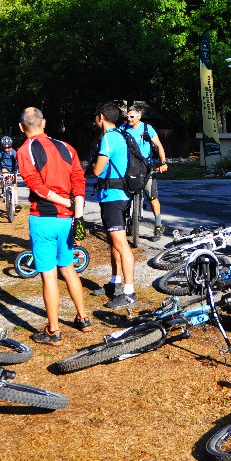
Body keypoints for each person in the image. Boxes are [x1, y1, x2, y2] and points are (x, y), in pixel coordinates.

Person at [15, 107, 91, 346]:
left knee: (49, 276)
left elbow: (36, 186)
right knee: (68, 267)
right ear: (44, 123)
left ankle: (53, 330)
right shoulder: (67, 147)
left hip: (44, 219)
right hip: (66, 220)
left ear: (21, 127)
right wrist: (77, 215)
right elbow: (79, 179)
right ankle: (83, 318)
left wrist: (63, 201)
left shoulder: (24, 150)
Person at [91, 101, 137, 308]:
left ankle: (129, 292)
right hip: (116, 195)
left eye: (95, 117)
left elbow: (98, 170)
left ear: (101, 117)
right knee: (114, 242)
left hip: (114, 197)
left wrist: (90, 164)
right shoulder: (120, 135)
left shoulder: (109, 138)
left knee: (121, 245)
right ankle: (115, 283)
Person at [123, 103, 168, 240]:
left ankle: (158, 225)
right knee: (125, 196)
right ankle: (126, 221)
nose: (129, 119)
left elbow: (159, 146)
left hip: (146, 167)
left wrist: (164, 163)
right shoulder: (123, 129)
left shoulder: (147, 129)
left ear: (139, 116)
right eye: (127, 116)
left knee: (152, 196)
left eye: (131, 116)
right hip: (129, 167)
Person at [0, 135, 20, 210]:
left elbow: (18, 160)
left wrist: (20, 169)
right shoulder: (0, 151)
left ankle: (16, 204)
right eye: (5, 147)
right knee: (5, 176)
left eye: (8, 147)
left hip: (13, 168)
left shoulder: (13, 152)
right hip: (5, 167)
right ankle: (2, 189)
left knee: (14, 186)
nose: (7, 149)